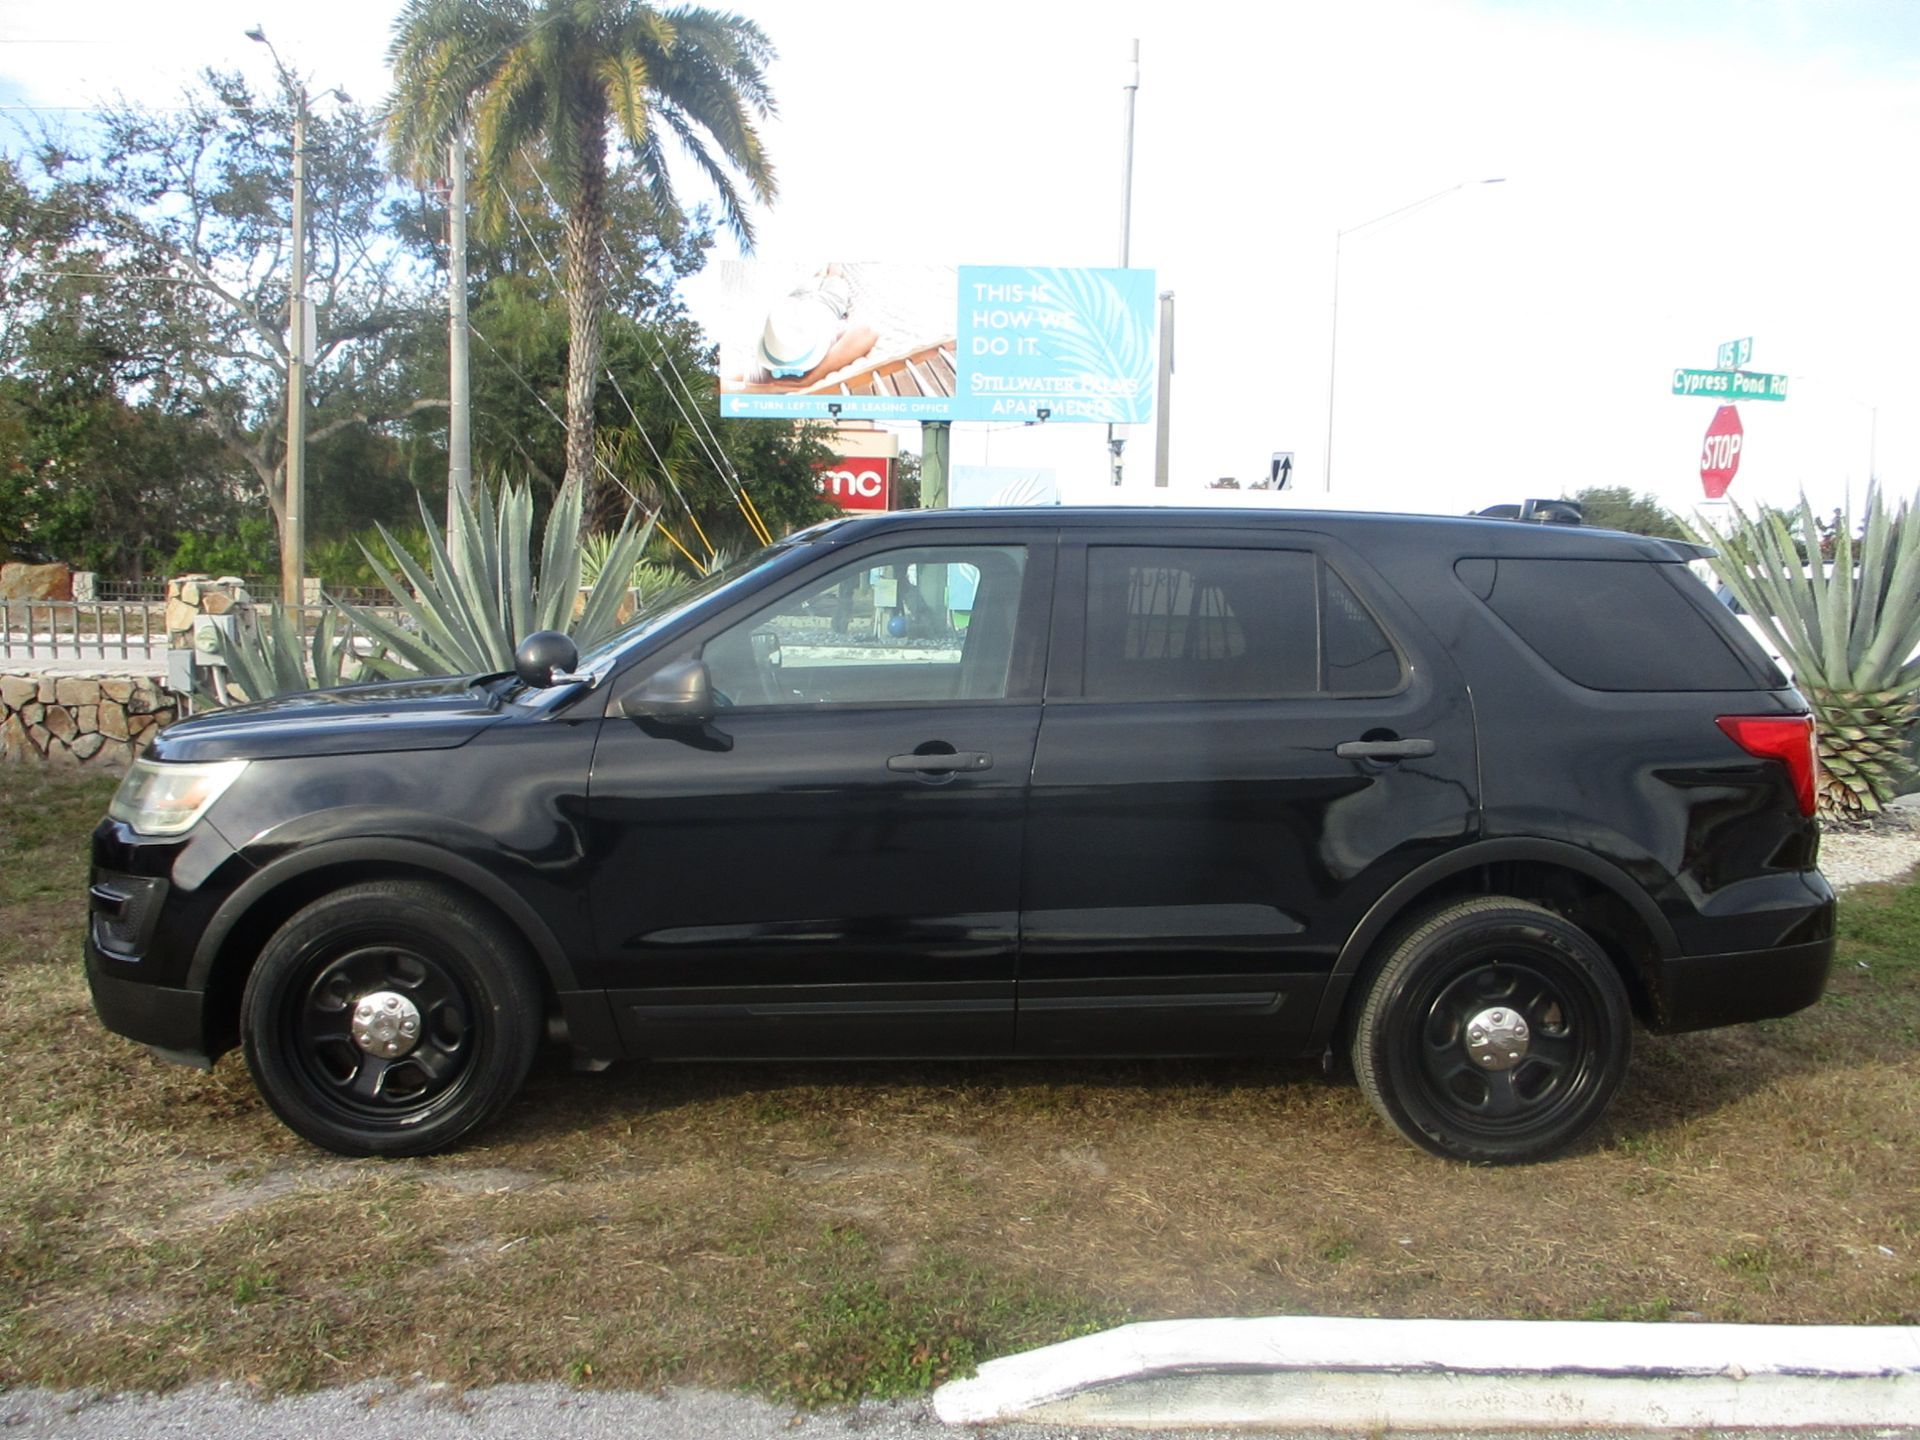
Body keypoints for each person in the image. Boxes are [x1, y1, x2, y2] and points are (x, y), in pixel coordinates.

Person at [729, 265, 879, 392]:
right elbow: (867, 331)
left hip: (799, 304)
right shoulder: (826, 350)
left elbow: (723, 381)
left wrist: (800, 382)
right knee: (833, 276)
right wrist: (810, 379)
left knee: (818, 276)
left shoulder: (766, 369)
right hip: (825, 303)